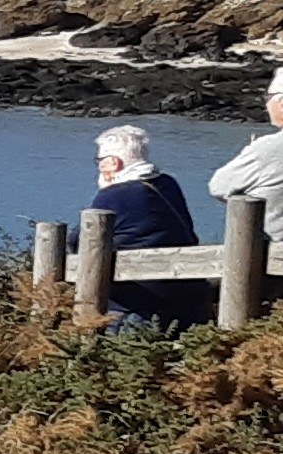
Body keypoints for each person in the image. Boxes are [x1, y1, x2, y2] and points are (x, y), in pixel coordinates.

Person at [85, 124, 197, 322]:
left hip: (137, 301)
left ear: (113, 163)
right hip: (184, 293)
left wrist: (105, 189)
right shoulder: (168, 183)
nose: (98, 166)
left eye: (100, 161)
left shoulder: (113, 196)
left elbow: (83, 242)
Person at [206, 68, 283, 242]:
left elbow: (218, 186)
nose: (265, 105)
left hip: (274, 255)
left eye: (268, 98)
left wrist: (252, 151)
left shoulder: (268, 148)